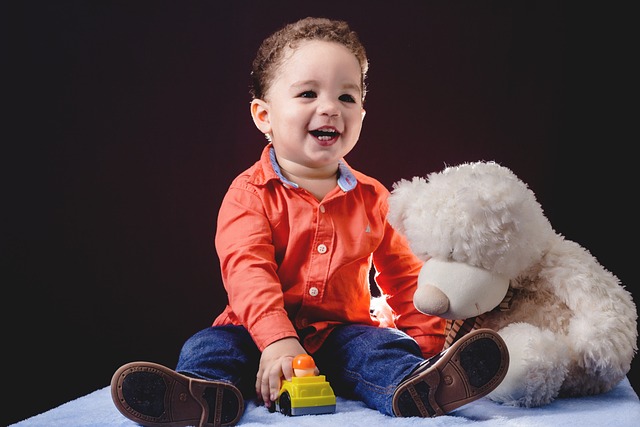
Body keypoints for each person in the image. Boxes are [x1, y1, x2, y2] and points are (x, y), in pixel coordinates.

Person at [110, 16, 509, 427]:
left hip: (342, 335)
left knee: (380, 349)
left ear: (361, 114)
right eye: (307, 93)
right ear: (264, 116)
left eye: (347, 97)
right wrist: (278, 340)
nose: (330, 107)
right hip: (254, 332)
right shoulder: (249, 194)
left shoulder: (374, 198)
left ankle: (420, 384)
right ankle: (202, 395)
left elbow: (406, 278)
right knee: (210, 346)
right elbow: (247, 271)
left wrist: (427, 345)